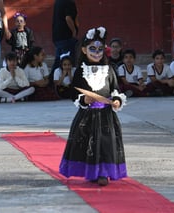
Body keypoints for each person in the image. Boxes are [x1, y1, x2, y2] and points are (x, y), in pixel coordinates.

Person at [59, 26, 127, 186]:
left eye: (100, 49)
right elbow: (74, 93)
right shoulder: (80, 72)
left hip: (106, 116)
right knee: (88, 144)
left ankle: (103, 173)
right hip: (87, 116)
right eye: (92, 49)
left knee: (105, 144)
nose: (96, 53)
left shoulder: (109, 70)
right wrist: (84, 99)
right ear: (84, 49)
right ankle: (91, 172)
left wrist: (117, 99)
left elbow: (116, 88)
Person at [52, 0, 79, 71]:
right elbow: (68, 18)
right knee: (67, 61)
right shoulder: (69, 2)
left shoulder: (58, 2)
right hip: (66, 36)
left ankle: (53, 78)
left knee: (59, 60)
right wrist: (74, 31)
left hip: (57, 35)